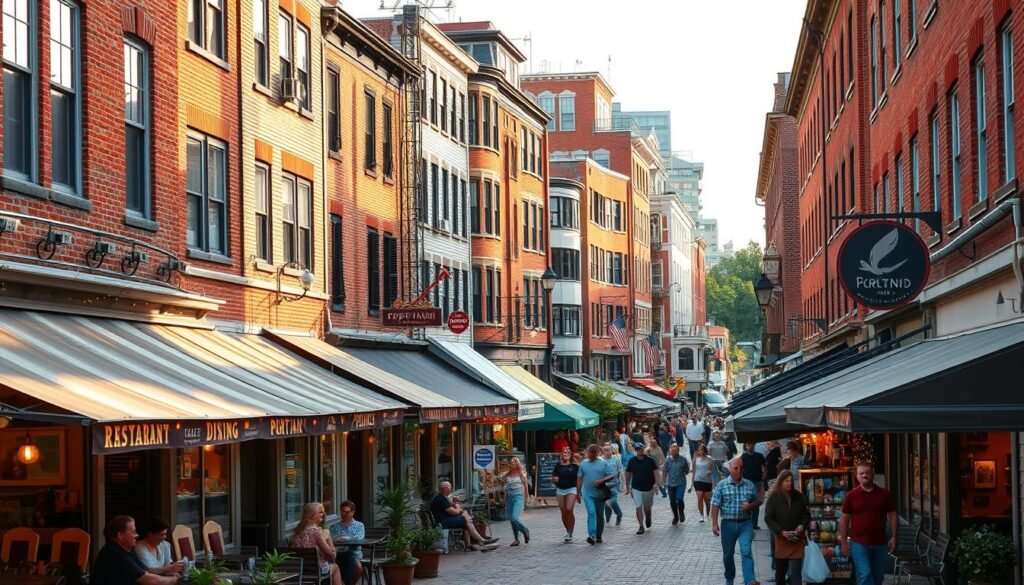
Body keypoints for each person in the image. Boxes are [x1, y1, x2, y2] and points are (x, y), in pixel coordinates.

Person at [839, 462, 898, 585]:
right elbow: (844, 519)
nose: (864, 475)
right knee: (864, 574)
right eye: (861, 473)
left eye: (867, 473)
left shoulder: (884, 494)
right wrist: (844, 542)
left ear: (873, 474)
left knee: (878, 577)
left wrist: (894, 536)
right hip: (859, 543)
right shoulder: (851, 496)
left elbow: (892, 515)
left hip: (880, 543)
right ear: (857, 476)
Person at [711, 457, 762, 585]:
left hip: (745, 524)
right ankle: (729, 578)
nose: (739, 471)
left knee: (746, 551)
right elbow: (715, 504)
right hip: (728, 524)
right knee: (728, 555)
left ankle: (750, 580)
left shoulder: (749, 484)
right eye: (736, 468)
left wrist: (751, 506)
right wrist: (714, 523)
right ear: (730, 469)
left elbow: (758, 501)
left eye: (741, 468)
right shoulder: (722, 485)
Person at [92, 515, 178, 585]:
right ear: (120, 535)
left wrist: (169, 571)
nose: (137, 535)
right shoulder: (114, 554)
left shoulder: (127, 550)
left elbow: (147, 571)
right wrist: (174, 580)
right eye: (133, 532)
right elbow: (148, 579)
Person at [764, 470, 809, 585]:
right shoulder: (773, 497)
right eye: (786, 481)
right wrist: (780, 532)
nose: (789, 483)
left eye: (791, 481)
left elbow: (806, 515)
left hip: (796, 539)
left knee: (795, 570)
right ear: (780, 482)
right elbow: (768, 518)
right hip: (781, 538)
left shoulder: (798, 496)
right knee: (780, 571)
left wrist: (802, 526)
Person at [430, 482, 499, 551]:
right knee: (466, 519)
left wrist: (454, 503)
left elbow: (452, 508)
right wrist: (457, 505)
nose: (451, 489)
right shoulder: (440, 499)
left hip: (446, 519)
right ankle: (480, 540)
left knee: (466, 518)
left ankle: (471, 544)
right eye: (449, 487)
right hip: (443, 522)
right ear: (443, 488)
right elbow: (455, 513)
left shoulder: (443, 497)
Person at [290, 503, 342, 585]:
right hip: (316, 569)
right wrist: (328, 536)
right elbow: (331, 554)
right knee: (335, 567)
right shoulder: (315, 531)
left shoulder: (297, 531)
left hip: (300, 569)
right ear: (313, 515)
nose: (323, 514)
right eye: (320, 512)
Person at [576, 444, 614, 545]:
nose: (591, 454)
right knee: (591, 512)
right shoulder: (583, 464)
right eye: (589, 452)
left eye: (593, 452)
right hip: (587, 493)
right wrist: (578, 492)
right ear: (587, 452)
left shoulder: (603, 463)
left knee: (600, 515)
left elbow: (611, 475)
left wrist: (601, 480)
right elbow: (579, 477)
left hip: (599, 494)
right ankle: (591, 535)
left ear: (598, 453)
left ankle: (598, 535)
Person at [624, 442, 660, 534]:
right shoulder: (632, 461)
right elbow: (628, 474)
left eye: (641, 449)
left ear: (643, 449)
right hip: (636, 487)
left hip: (649, 488)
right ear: (635, 451)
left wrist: (656, 483)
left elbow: (655, 472)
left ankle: (648, 516)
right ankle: (640, 526)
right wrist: (627, 486)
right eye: (637, 449)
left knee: (647, 508)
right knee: (638, 506)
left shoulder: (650, 460)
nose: (640, 451)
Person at [330, 501, 365, 585]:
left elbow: (360, 538)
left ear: (353, 512)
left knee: (358, 568)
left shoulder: (359, 525)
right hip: (339, 553)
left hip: (353, 552)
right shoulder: (334, 526)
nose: (344, 514)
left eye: (347, 512)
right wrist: (336, 540)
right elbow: (331, 539)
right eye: (342, 511)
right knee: (335, 567)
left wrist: (346, 538)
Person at [551, 447, 580, 543]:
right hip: (560, 489)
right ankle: (568, 532)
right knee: (563, 512)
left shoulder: (575, 466)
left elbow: (579, 478)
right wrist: (554, 480)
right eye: (564, 452)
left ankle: (570, 533)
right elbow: (553, 477)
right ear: (561, 454)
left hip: (572, 489)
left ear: (570, 455)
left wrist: (579, 492)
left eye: (568, 452)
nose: (566, 453)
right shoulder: (557, 466)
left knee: (569, 509)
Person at [501, 458, 531, 545]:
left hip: (518, 497)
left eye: (513, 463)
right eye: (510, 463)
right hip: (509, 497)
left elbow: (526, 487)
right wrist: (506, 469)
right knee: (511, 519)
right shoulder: (507, 474)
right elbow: (501, 479)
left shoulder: (521, 474)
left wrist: (526, 498)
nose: (511, 464)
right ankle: (516, 539)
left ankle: (525, 530)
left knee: (514, 518)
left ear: (517, 464)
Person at [662, 443, 690, 525]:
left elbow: (687, 471)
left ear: (678, 450)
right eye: (672, 450)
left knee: (679, 498)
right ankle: (676, 516)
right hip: (671, 484)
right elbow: (664, 471)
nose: (673, 452)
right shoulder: (668, 460)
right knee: (672, 501)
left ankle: (681, 512)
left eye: (675, 450)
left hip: (681, 483)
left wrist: (686, 469)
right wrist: (664, 482)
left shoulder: (683, 459)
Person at [740, 442, 767, 529]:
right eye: (748, 445)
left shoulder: (759, 456)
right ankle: (747, 522)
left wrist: (763, 477)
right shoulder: (743, 457)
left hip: (757, 482)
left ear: (754, 445)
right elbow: (739, 467)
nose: (749, 446)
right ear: (746, 446)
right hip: (746, 482)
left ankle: (754, 523)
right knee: (747, 501)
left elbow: (765, 466)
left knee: (755, 502)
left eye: (751, 444)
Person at [691, 444, 716, 522]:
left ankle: (707, 514)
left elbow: (712, 469)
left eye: (701, 450)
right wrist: (692, 482)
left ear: (705, 451)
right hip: (697, 480)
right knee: (700, 498)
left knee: (707, 500)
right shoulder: (696, 459)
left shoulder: (710, 459)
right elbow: (694, 470)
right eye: (699, 450)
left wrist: (709, 471)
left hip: (707, 481)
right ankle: (701, 515)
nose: (700, 451)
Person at [601, 444, 624, 526]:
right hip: (604, 484)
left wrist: (622, 482)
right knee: (606, 502)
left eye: (609, 450)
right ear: (603, 452)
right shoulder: (601, 460)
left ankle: (619, 514)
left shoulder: (616, 459)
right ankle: (608, 516)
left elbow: (620, 470)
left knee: (612, 500)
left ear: (612, 450)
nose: (607, 452)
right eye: (605, 450)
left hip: (614, 482)